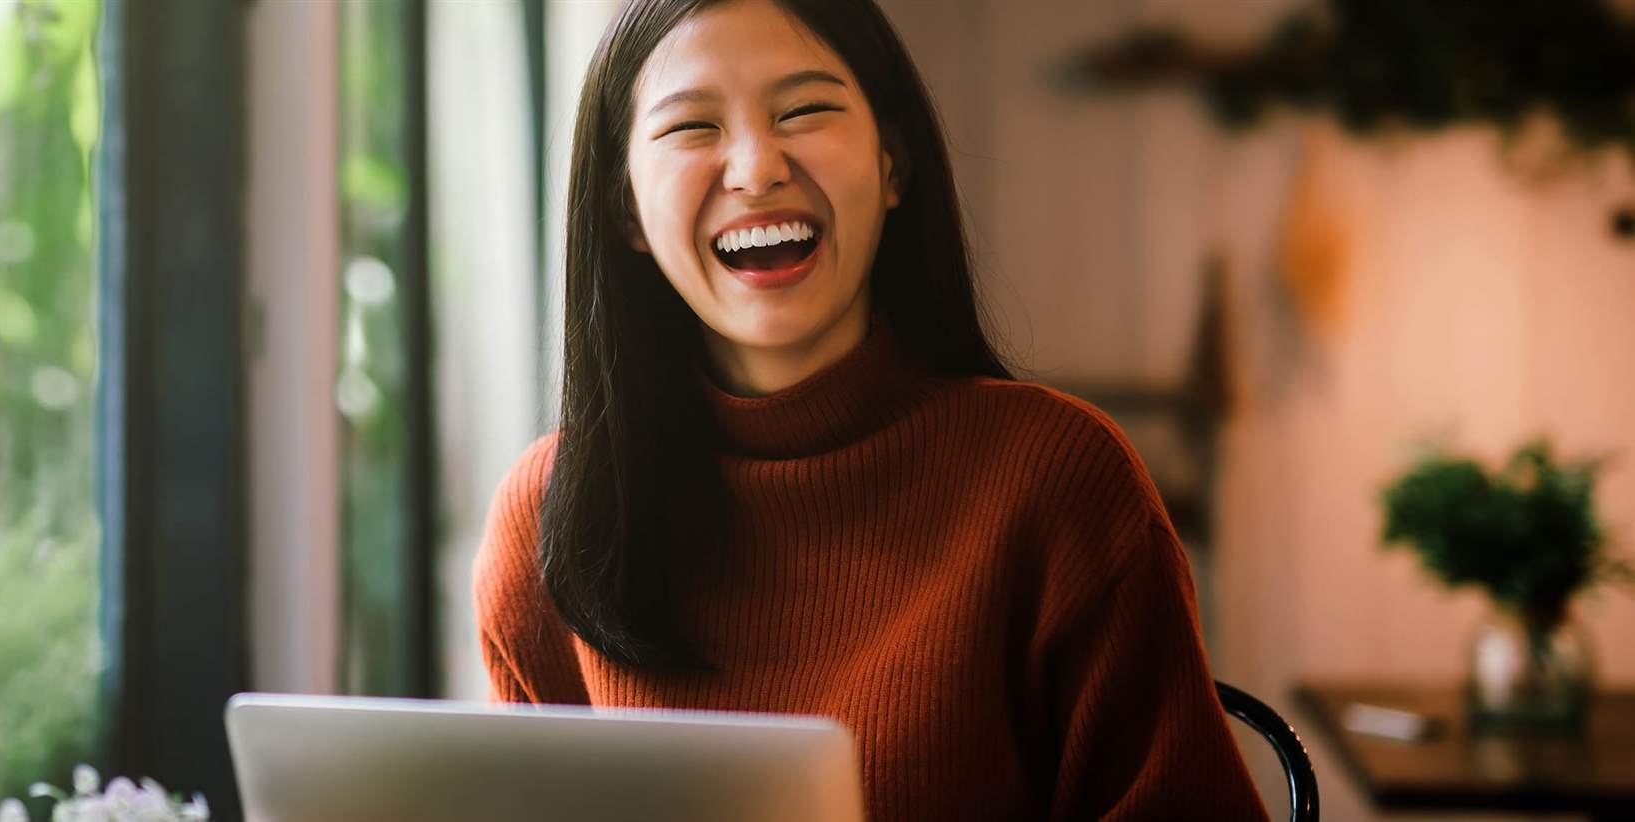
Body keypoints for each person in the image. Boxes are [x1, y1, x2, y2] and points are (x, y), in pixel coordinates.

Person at [470, 0, 1268, 818]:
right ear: (628, 209)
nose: (755, 168)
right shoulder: (545, 520)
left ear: (893, 164)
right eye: (691, 129)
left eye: (805, 110)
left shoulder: (1057, 480)